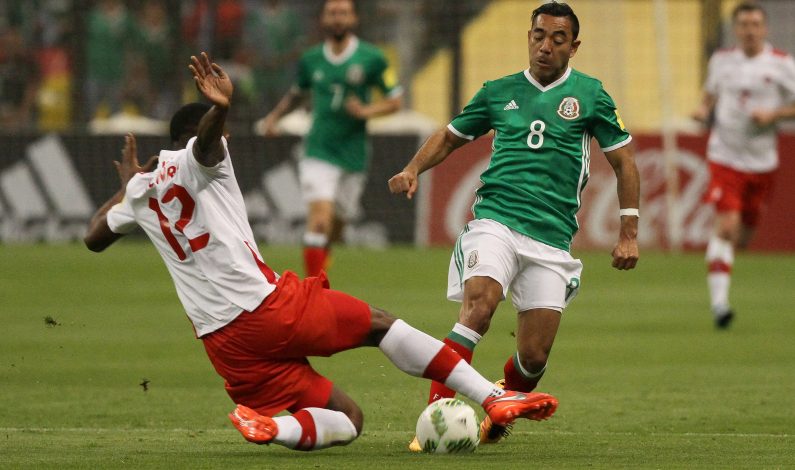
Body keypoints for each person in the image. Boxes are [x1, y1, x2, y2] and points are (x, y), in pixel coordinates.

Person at [83, 51, 558, 452]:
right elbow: (204, 148)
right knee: (380, 325)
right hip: (266, 308)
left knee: (348, 419)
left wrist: (126, 190)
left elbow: (94, 237)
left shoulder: (141, 190)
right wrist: (220, 111)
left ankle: (275, 428)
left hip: (225, 348)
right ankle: (493, 398)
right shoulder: (205, 158)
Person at [388, 2, 640, 451]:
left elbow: (624, 163)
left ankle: (499, 417)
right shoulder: (498, 91)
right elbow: (449, 136)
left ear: (574, 46)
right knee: (479, 307)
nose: (545, 46)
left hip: (552, 239)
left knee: (533, 359)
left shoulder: (591, 95)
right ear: (528, 37)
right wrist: (412, 170)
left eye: (557, 39)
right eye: (538, 35)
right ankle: (431, 424)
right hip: (496, 221)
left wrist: (628, 233)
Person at [259, 0, 403, 278]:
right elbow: (297, 94)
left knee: (338, 224)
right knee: (320, 222)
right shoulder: (310, 59)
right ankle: (313, 291)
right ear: (324, 19)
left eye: (343, 13)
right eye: (333, 13)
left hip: (354, 151)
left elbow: (396, 101)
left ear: (354, 19)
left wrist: (366, 111)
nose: (338, 18)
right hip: (319, 148)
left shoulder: (373, 58)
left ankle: (324, 255)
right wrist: (274, 117)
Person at [692, 1, 795, 329]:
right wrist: (701, 108)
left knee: (745, 234)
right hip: (725, 156)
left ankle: (724, 259)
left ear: (764, 29)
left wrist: (774, 115)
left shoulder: (782, 64)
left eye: (755, 25)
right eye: (743, 25)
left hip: (763, 162)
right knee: (725, 227)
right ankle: (720, 305)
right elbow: (709, 93)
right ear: (736, 29)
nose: (749, 30)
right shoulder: (721, 61)